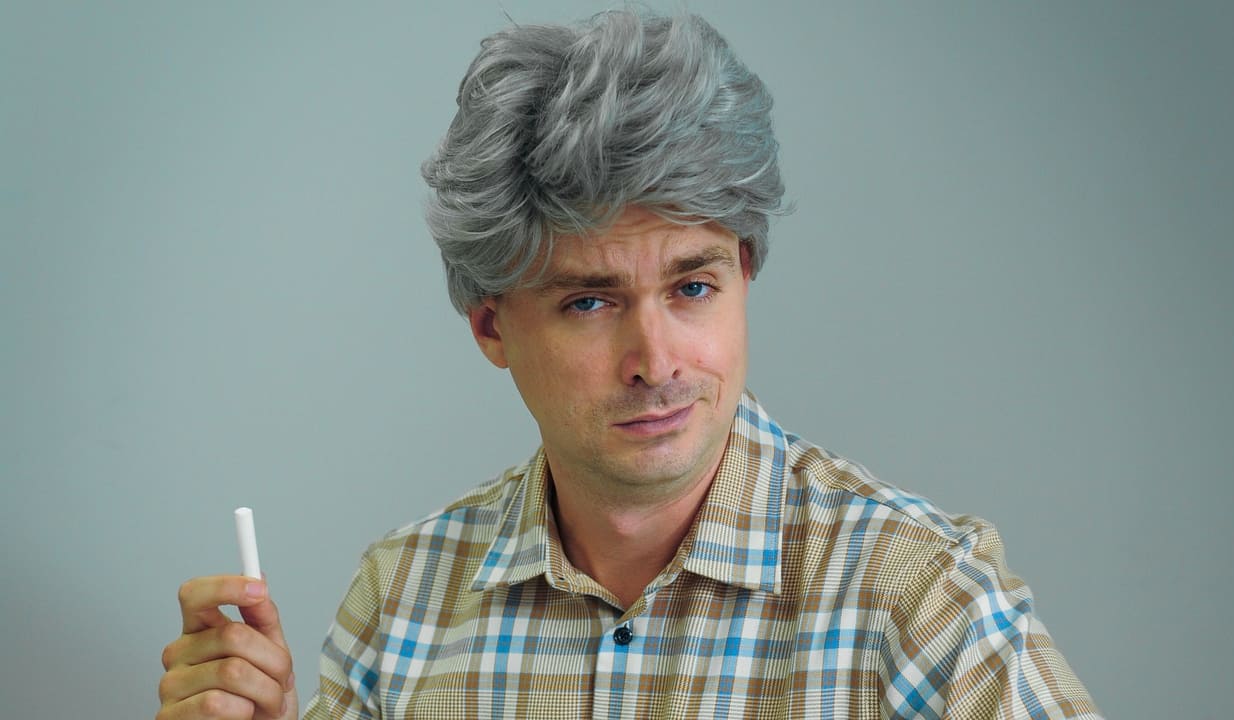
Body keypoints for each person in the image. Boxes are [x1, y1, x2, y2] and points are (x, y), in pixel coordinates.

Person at [157, 10, 1101, 719]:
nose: (656, 361)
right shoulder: (402, 602)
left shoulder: (923, 599)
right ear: (491, 328)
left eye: (692, 287)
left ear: (743, 274)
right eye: (590, 302)